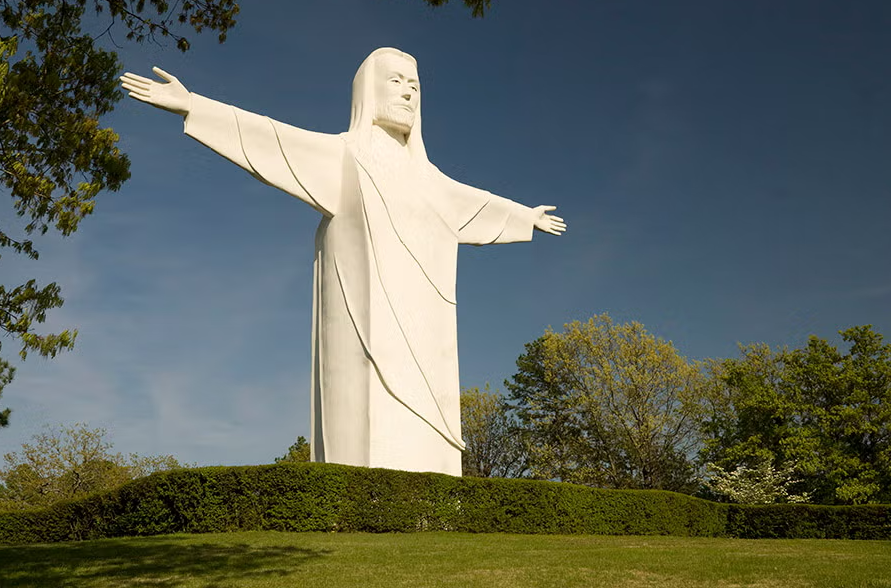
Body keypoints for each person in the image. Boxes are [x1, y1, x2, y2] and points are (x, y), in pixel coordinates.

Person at [119, 48, 566, 475]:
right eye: (396, 81)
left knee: (429, 420)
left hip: (429, 336)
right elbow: (271, 140)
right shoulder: (344, 156)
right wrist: (193, 107)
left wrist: (525, 217)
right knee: (364, 411)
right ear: (369, 91)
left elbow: (474, 204)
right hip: (362, 325)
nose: (409, 92)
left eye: (415, 85)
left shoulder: (431, 183)